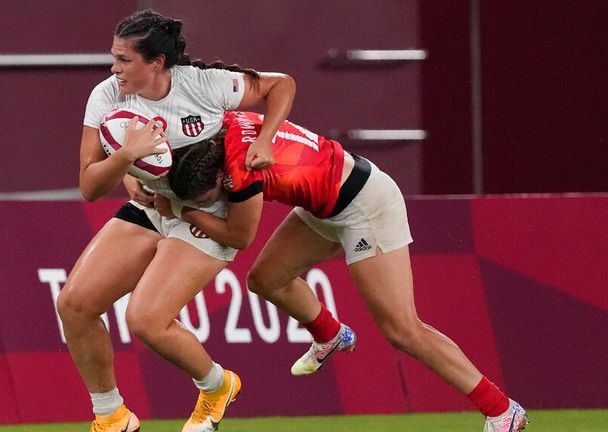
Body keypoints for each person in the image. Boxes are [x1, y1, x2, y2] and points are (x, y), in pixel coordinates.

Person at [160, 111, 530, 432]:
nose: (204, 205)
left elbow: (239, 236)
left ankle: (501, 409)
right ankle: (330, 334)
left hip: (365, 204)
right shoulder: (218, 128)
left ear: (220, 177)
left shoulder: (244, 172)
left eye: (204, 198)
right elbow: (277, 88)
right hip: (323, 203)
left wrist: (183, 212)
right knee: (266, 279)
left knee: (402, 329)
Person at [55, 10, 296, 432]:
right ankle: (111, 416)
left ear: (157, 63)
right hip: (155, 205)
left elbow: (281, 85)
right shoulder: (107, 96)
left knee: (145, 320)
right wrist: (127, 160)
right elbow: (90, 186)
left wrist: (264, 139)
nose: (114, 68)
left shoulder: (204, 85)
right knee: (74, 305)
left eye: (124, 60)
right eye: (114, 57)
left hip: (206, 213)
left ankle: (216, 386)